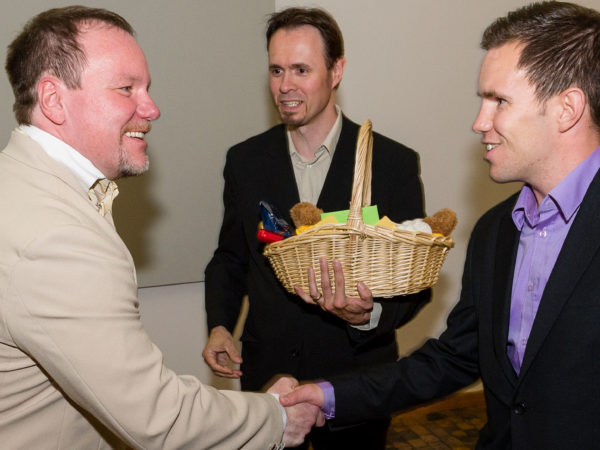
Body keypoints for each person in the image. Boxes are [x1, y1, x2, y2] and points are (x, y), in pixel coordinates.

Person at [0, 6, 323, 449]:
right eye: (126, 89)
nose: (151, 109)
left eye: (147, 89)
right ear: (54, 100)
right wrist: (277, 417)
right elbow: (156, 417)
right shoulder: (57, 236)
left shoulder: (18, 182)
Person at [281, 1, 600, 448]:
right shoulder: (494, 231)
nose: (479, 123)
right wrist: (329, 395)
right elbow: (453, 359)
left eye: (499, 101)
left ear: (567, 108)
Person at [203, 6, 429, 449]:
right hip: (270, 380)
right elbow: (231, 257)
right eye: (276, 70)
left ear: (336, 71)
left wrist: (369, 315)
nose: (285, 85)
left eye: (301, 70)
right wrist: (219, 324)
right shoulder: (245, 162)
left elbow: (416, 283)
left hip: (355, 382)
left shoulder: (391, 163)